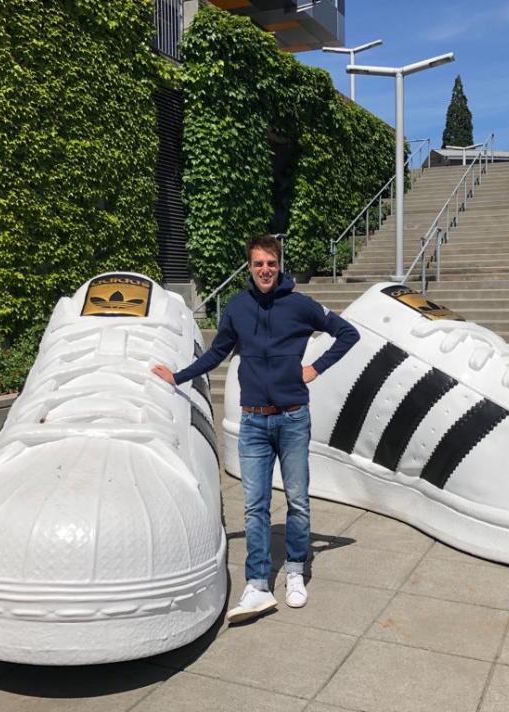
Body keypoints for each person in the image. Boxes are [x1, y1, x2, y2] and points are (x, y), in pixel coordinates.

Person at [152, 234, 359, 623]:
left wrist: (316, 368)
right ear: (249, 267)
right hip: (253, 421)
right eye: (258, 263)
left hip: (293, 418)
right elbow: (217, 352)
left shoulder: (300, 305)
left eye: (271, 263)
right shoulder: (238, 307)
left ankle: (295, 570)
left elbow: (348, 333)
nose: (265, 269)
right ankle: (258, 584)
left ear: (280, 265)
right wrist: (178, 377)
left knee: (297, 500)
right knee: (255, 506)